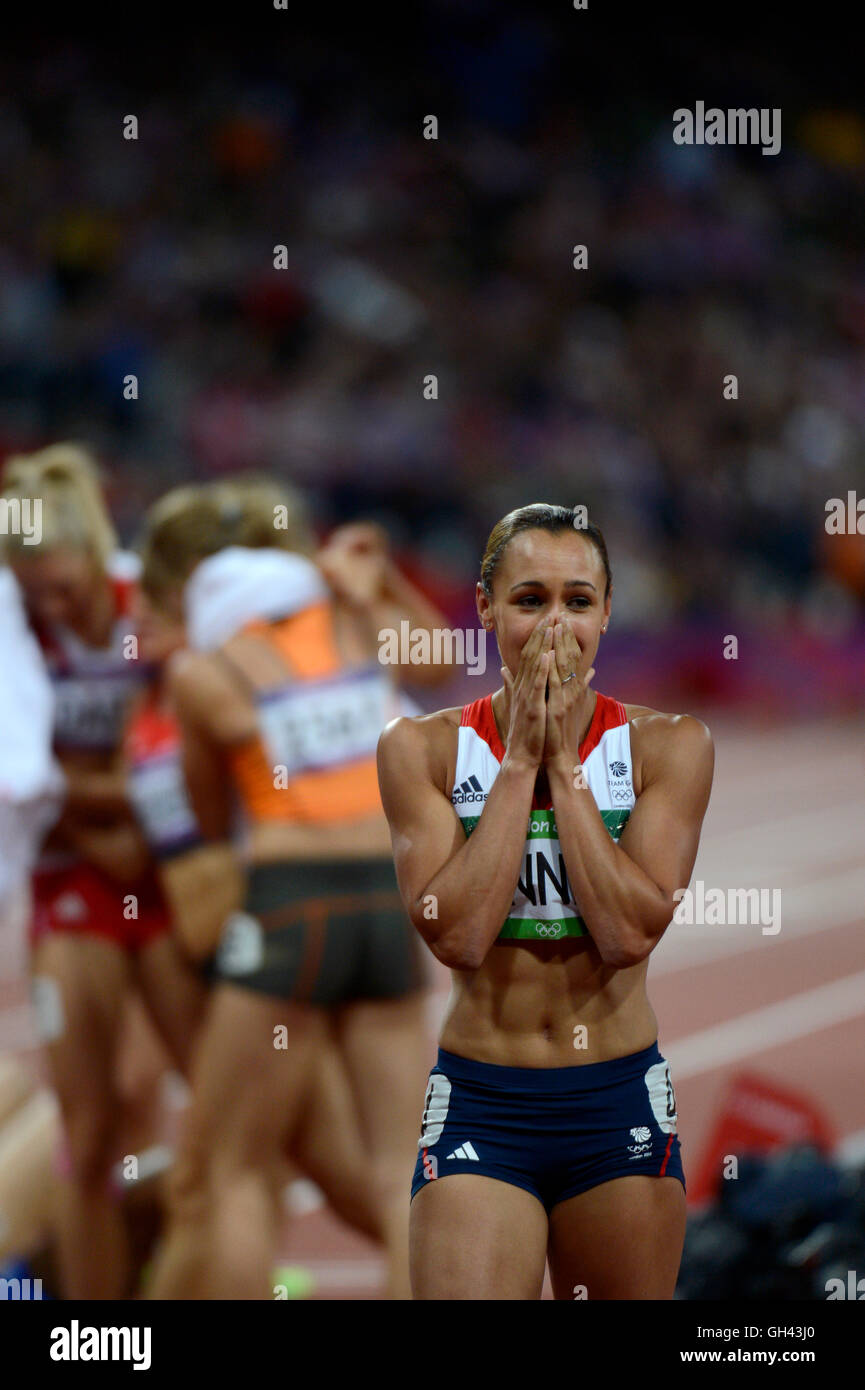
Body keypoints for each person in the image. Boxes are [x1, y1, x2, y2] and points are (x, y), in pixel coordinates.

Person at [377, 503, 715, 1300]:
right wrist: (520, 755)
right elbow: (455, 936)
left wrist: (561, 768)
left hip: (614, 1101)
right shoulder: (417, 749)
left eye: (577, 600)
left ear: (606, 614)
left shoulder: (670, 745)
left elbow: (630, 931)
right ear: (485, 608)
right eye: (529, 600)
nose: (554, 624)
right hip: (484, 1106)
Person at [142, 479, 446, 1299]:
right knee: (399, 1172)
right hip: (386, 900)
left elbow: (210, 821)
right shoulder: (350, 626)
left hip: (288, 900)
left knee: (234, 1171)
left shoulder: (207, 672)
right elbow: (442, 655)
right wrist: (376, 580)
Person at [0, 444, 201, 1298]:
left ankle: (193, 1276)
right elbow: (23, 780)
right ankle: (90, 1327)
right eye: (36, 590)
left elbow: (186, 762)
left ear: (97, 555)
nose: (56, 604)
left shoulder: (140, 607)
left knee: (206, 1102)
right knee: (86, 1133)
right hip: (68, 887)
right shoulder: (16, 632)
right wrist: (106, 797)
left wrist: (77, 791)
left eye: (67, 586)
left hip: (163, 880)